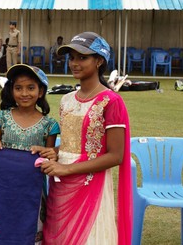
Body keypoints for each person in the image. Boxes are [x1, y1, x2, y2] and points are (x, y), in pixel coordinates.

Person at [40, 32, 132, 245]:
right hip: (61, 185)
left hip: (91, 186)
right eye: (71, 58)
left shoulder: (111, 101)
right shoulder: (66, 99)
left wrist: (66, 168)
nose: (74, 63)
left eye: (82, 57)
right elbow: (74, 143)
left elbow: (116, 156)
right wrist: (54, 153)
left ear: (99, 61)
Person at [0, 64, 59, 243]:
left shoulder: (49, 125)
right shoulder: (1, 118)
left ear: (41, 92)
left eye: (31, 88)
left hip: (32, 189)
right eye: (18, 88)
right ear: (11, 91)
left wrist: (51, 155)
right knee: (1, 225)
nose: (24, 93)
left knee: (31, 229)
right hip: (3, 185)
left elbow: (49, 157)